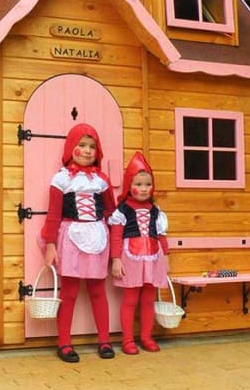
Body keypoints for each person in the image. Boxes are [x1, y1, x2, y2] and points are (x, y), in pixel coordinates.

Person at [41, 123, 117, 362]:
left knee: (98, 291)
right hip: (71, 238)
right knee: (70, 292)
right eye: (82, 145)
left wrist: (116, 246)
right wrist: (51, 245)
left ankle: (104, 339)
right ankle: (64, 342)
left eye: (92, 146)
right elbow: (53, 214)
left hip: (97, 236)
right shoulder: (61, 180)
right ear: (71, 148)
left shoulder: (102, 181)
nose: (87, 150)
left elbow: (111, 212)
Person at [109, 151, 169, 354]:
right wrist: (116, 260)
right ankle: (127, 340)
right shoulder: (122, 211)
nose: (143, 189)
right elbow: (116, 236)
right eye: (138, 184)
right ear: (129, 186)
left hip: (153, 257)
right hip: (130, 259)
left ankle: (146, 336)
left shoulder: (155, 211)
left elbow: (161, 236)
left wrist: (166, 258)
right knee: (130, 299)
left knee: (148, 299)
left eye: (147, 184)